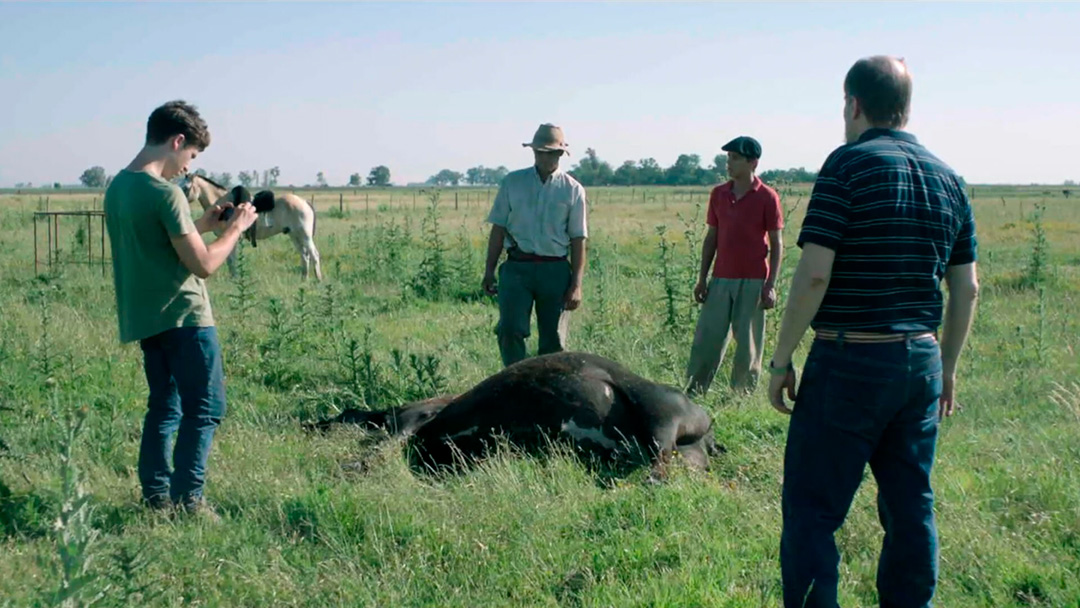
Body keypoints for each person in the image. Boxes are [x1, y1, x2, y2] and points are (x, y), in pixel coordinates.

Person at [765, 56, 980, 607]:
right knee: (912, 508)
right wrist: (948, 366)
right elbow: (967, 289)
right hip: (921, 362)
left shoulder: (847, 166)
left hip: (850, 362)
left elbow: (814, 273)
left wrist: (782, 357)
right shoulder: (950, 179)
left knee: (813, 510)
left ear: (854, 104)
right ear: (905, 108)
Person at [103, 100, 257, 516]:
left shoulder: (118, 188)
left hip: (147, 319)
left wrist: (204, 224)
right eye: (190, 156)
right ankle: (190, 501)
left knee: (164, 408)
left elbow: (156, 242)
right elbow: (204, 265)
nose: (188, 168)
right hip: (186, 319)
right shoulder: (165, 194)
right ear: (176, 141)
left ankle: (156, 498)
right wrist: (236, 230)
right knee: (204, 410)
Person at [482, 123, 588, 367]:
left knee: (553, 341)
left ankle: (548, 391)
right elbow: (498, 229)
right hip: (517, 267)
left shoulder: (573, 190)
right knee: (509, 330)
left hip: (555, 270)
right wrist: (489, 270)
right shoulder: (512, 183)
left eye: (550, 152)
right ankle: (514, 383)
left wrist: (576, 285)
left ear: (560, 154)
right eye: (539, 151)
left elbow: (578, 239)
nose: (544, 157)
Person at [685, 136, 783, 396]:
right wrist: (702, 278)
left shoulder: (767, 197)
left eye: (736, 158)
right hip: (721, 278)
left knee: (748, 346)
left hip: (753, 281)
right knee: (707, 339)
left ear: (753, 162)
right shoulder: (719, 194)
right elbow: (711, 238)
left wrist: (770, 285)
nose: (729, 163)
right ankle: (694, 392)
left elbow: (777, 243)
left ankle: (741, 398)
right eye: (728, 157)